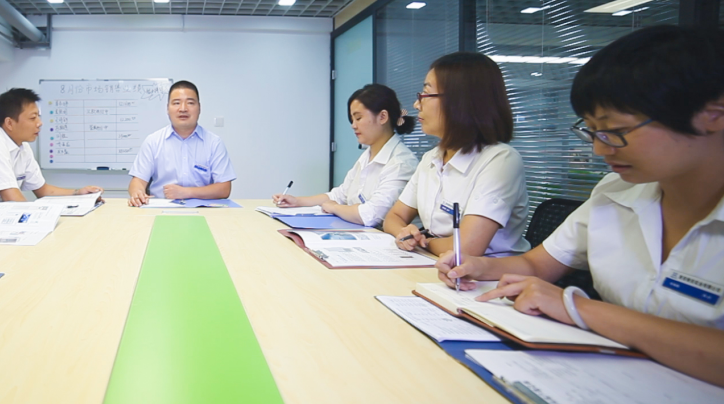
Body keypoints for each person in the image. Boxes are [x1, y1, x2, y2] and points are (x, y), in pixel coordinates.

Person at [437, 26, 724, 386]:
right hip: (612, 383)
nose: (600, 149)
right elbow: (536, 264)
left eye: (616, 131)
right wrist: (479, 266)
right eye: (591, 131)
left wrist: (580, 308)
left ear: (713, 115)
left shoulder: (502, 159)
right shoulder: (615, 192)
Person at [383, 52, 530, 257]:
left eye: (425, 94)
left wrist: (421, 242)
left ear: (459, 102)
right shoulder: (431, 158)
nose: (417, 105)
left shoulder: (501, 161)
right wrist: (404, 233)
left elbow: (466, 248)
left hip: (488, 273)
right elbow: (394, 216)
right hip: (435, 262)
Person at [273, 84, 418, 226]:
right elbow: (340, 195)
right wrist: (297, 201)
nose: (353, 125)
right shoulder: (367, 155)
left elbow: (370, 214)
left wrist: (335, 208)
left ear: (382, 117)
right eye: (352, 119)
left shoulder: (401, 163)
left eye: (358, 118)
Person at [0, 88, 102, 213]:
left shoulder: (22, 146)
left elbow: (42, 190)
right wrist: (38, 217)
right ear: (9, 123)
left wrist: (77, 193)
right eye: (33, 118)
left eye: (38, 116)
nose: (39, 123)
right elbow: (11, 197)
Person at [128, 80, 237, 206]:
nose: (183, 109)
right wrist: (137, 193)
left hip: (204, 209)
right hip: (160, 208)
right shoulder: (153, 141)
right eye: (176, 103)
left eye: (190, 103)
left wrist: (186, 192)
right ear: (167, 108)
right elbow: (138, 181)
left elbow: (224, 189)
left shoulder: (214, 143)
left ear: (199, 108)